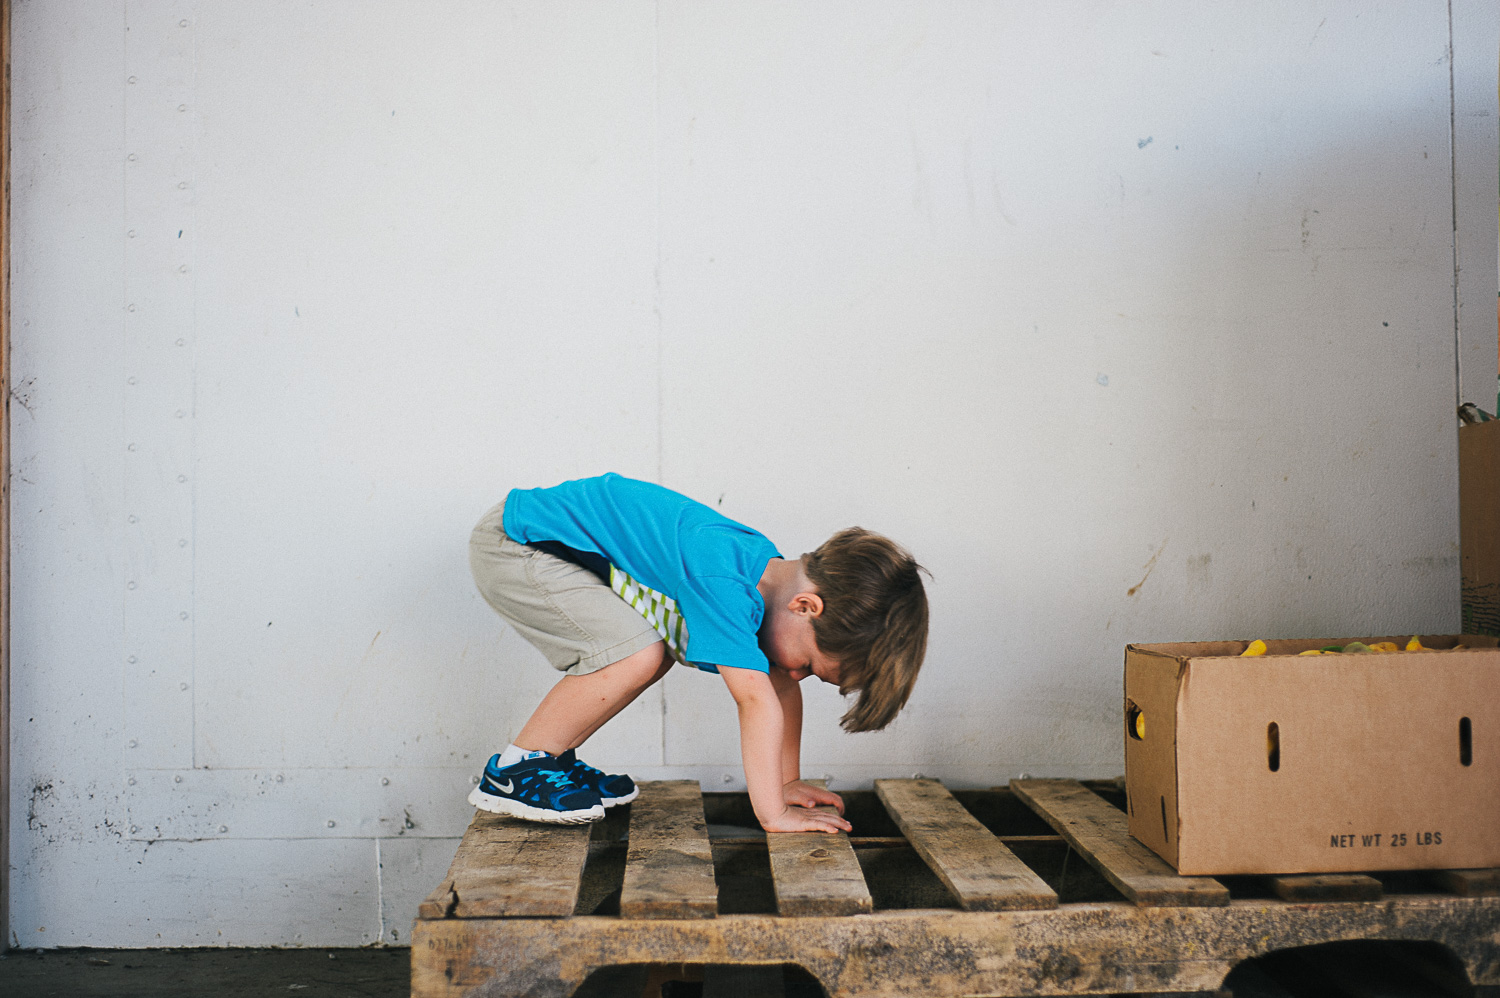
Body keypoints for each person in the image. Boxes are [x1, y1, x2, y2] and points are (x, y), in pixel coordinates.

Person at [466, 473, 928, 833]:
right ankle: (518, 768)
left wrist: (787, 786)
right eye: (809, 664)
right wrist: (773, 814)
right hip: (518, 544)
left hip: (549, 547)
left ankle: (553, 760)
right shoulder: (725, 582)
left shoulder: (757, 577)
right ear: (805, 606)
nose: (796, 674)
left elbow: (778, 687)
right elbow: (755, 700)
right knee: (638, 653)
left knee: (647, 651)